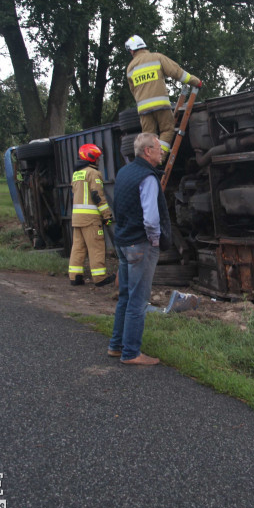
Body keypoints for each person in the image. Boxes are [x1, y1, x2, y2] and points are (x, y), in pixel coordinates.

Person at [108, 132, 170, 366]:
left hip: (123, 242)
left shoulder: (124, 172)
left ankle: (116, 346)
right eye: (158, 148)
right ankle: (131, 353)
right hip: (140, 245)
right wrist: (155, 241)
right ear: (147, 151)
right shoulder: (148, 178)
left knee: (125, 296)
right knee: (138, 300)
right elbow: (152, 220)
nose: (161, 151)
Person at [124, 34, 202, 162]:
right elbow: (176, 72)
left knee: (147, 137)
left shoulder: (130, 68)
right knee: (167, 130)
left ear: (132, 50)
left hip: (143, 109)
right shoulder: (156, 58)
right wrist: (196, 81)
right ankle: (159, 158)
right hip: (161, 105)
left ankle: (147, 162)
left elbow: (133, 90)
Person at [68, 143, 115, 287]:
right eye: (98, 158)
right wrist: (107, 215)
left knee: (78, 247)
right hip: (90, 219)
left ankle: (75, 277)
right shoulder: (93, 173)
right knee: (96, 246)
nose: (99, 161)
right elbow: (97, 196)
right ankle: (100, 278)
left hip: (77, 218)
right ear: (92, 158)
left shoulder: (77, 174)